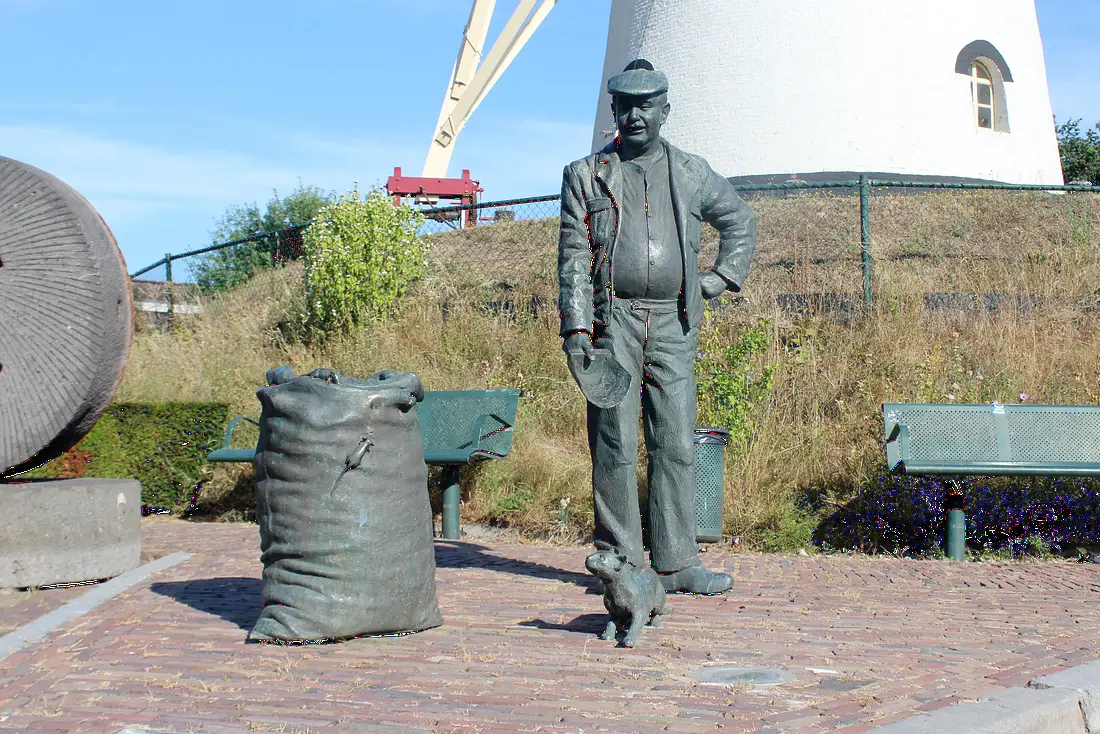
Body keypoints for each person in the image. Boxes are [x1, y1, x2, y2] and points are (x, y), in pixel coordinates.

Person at [558, 59, 757, 594]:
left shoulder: (691, 171)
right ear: (615, 110)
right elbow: (574, 256)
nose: (636, 114)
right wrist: (577, 330)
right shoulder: (584, 175)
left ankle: (676, 562)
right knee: (613, 442)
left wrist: (719, 279)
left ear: (665, 110)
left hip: (674, 321)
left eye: (647, 104)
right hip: (612, 320)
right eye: (626, 104)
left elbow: (739, 220)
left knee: (674, 440)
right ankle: (620, 559)